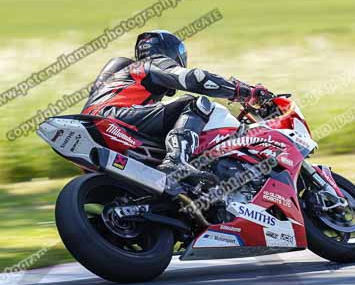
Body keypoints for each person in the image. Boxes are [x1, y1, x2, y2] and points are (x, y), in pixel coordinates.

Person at [82, 30, 274, 187]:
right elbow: (194, 79)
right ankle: (176, 161)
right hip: (113, 117)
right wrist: (244, 91)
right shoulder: (151, 62)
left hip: (100, 124)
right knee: (195, 103)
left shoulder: (125, 80)